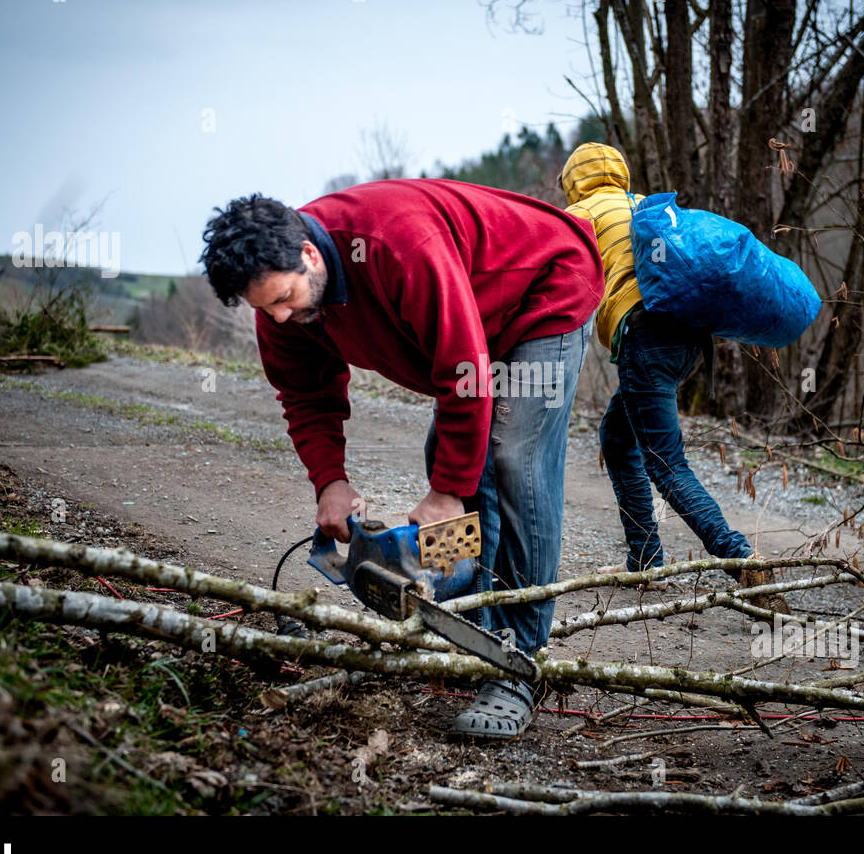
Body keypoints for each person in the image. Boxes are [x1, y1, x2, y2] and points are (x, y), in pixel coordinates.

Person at [200, 181, 602, 738]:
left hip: (545, 286)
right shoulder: (281, 311)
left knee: (509, 459)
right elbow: (305, 396)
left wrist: (447, 491)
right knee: (453, 459)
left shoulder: (394, 245)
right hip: (475, 319)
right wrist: (330, 482)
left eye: (285, 297)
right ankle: (473, 631)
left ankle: (519, 664)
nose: (282, 316)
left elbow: (462, 368)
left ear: (309, 255)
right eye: (266, 307)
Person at [560, 142, 788, 614]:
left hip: (645, 341)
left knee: (665, 464)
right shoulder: (641, 204)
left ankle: (739, 556)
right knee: (618, 438)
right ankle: (645, 559)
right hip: (686, 342)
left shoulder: (575, 217)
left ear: (572, 180)